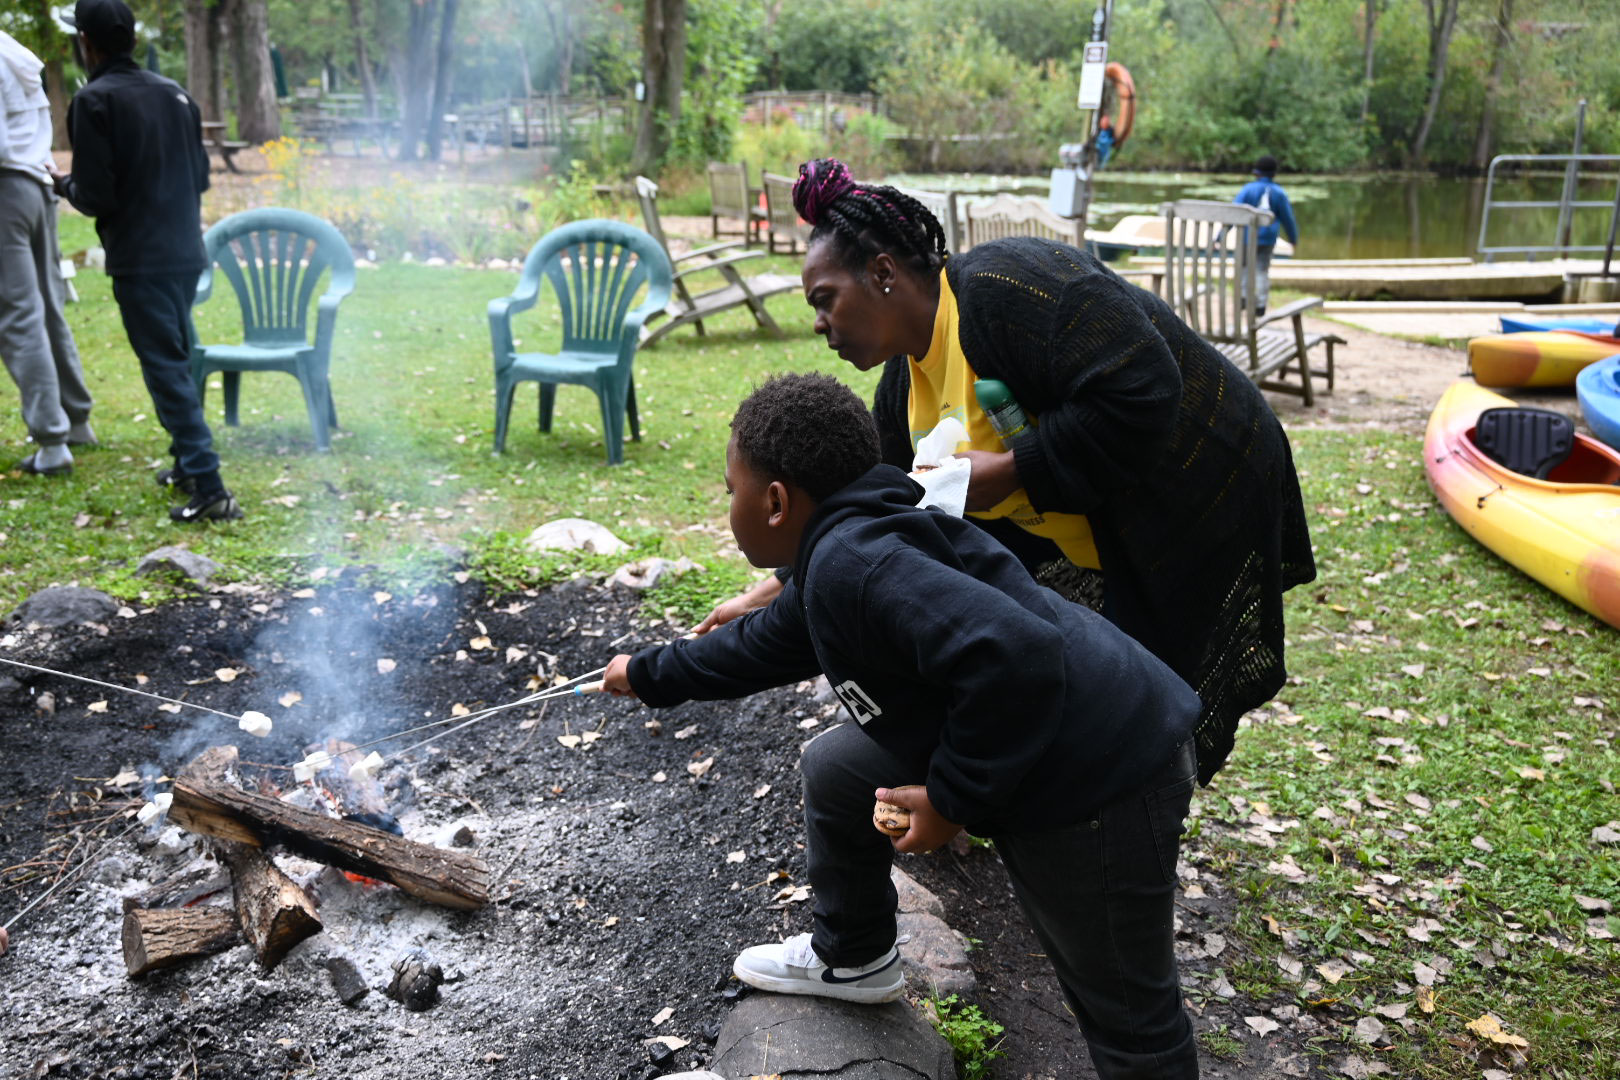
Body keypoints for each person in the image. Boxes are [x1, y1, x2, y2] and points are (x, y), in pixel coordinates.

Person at [604, 373, 1204, 1078]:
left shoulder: (855, 563)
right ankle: (853, 956)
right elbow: (760, 645)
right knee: (839, 769)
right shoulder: (841, 550)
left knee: (1127, 1014)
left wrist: (952, 800)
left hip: (1101, 772)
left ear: (775, 502)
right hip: (1046, 730)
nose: (727, 503)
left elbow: (1015, 655)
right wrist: (647, 673)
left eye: (730, 489)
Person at [700, 157, 1314, 788]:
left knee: (1161, 690)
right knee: (1102, 682)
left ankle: (1139, 816)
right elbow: (866, 508)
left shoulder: (1007, 288)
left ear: (882, 272)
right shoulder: (901, 386)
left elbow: (1145, 387)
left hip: (1199, 477)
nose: (818, 323)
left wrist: (1016, 469)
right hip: (1088, 528)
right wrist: (770, 592)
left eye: (825, 300)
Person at [51, 0, 242, 522]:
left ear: (85, 43)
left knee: (165, 367)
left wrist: (62, 184)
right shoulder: (175, 93)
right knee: (176, 355)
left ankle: (211, 487)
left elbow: (96, 196)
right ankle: (186, 463)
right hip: (185, 251)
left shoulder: (93, 100)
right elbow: (201, 178)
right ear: (133, 39)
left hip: (140, 256)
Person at [0, 30, 94, 476]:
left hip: (6, 190)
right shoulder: (11, 50)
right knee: (48, 307)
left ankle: (52, 442)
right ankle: (77, 420)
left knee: (19, 316)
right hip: (36, 186)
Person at [1232, 153, 1298, 316]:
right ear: (1274, 174)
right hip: (1268, 239)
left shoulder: (1247, 189)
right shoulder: (1279, 193)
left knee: (1245, 267)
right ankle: (1260, 305)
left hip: (1247, 238)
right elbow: (1288, 219)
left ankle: (1243, 298)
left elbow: (1233, 213)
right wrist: (1293, 239)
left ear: (1256, 173)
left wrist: (1220, 236)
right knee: (1262, 269)